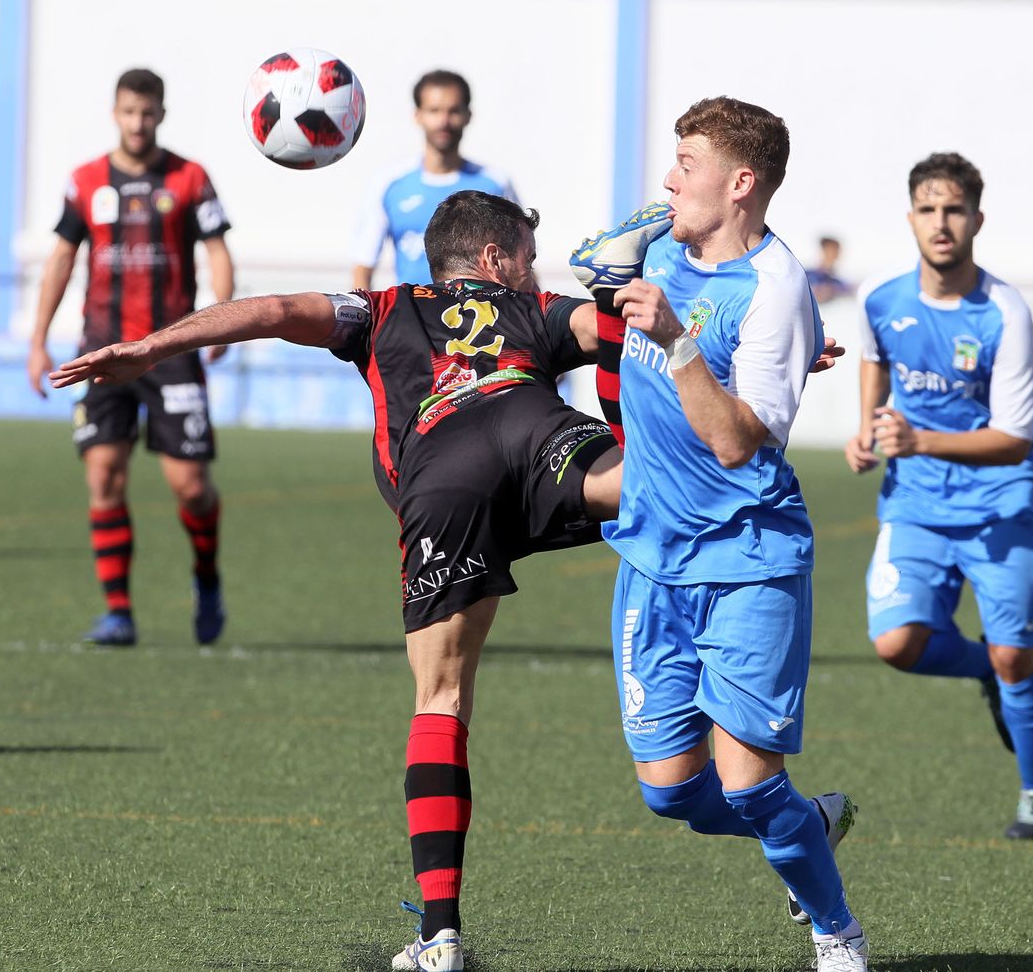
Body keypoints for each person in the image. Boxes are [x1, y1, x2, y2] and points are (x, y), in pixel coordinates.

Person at [53, 190, 623, 972]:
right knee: (660, 489)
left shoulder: (379, 309)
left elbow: (275, 308)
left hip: (443, 474)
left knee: (443, 699)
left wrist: (152, 347)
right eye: (526, 254)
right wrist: (751, 349)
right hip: (540, 432)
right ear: (494, 259)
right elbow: (619, 332)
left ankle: (440, 935)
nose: (532, 270)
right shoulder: (538, 310)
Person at [571, 96, 868, 971]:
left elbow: (738, 444)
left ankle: (836, 932)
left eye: (688, 162)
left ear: (741, 183)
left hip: (748, 558)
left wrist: (676, 341)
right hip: (652, 554)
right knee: (671, 795)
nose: (670, 178)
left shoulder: (777, 290)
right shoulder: (661, 245)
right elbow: (594, 273)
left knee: (749, 782)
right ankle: (811, 825)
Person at [843, 152, 1033, 841]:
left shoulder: (1004, 311)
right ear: (911, 218)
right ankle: (986, 674)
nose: (942, 223)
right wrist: (865, 429)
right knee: (896, 643)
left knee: (1016, 655)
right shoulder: (881, 296)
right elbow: (876, 360)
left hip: (999, 504)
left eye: (955, 210)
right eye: (930, 209)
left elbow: (1014, 438)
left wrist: (919, 441)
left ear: (977, 219)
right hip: (915, 502)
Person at [26, 67, 234, 647]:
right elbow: (61, 260)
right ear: (114, 113)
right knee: (104, 476)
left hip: (170, 347)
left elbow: (218, 251)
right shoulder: (86, 180)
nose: (138, 123)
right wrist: (39, 339)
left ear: (161, 114)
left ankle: (207, 578)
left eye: (148, 113)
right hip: (100, 350)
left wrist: (221, 318)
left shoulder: (190, 178)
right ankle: (118, 611)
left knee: (191, 485)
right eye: (128, 112)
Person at [350, 70, 516, 290]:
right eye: (434, 110)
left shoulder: (496, 184)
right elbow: (363, 267)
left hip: (480, 319)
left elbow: (522, 264)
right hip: (412, 319)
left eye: (453, 111)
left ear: (468, 115)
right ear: (418, 115)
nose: (444, 121)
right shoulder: (389, 185)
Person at [806, 236, 852, 304]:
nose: (836, 254)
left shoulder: (837, 282)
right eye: (832, 251)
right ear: (823, 250)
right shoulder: (808, 275)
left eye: (837, 251)